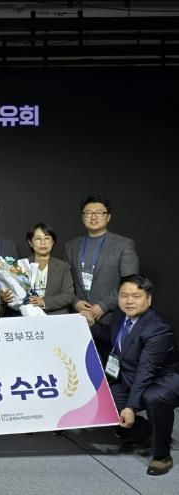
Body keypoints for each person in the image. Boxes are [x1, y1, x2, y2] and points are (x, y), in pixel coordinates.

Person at [82, 275, 179, 476]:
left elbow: (147, 370)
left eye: (136, 296)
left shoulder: (158, 329)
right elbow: (113, 339)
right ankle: (147, 432)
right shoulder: (120, 315)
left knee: (153, 397)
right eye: (124, 295)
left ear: (149, 299)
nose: (129, 301)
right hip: (130, 376)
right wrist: (92, 324)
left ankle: (162, 456)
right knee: (103, 402)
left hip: (163, 380)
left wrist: (131, 407)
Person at [65, 195, 139, 327]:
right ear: (82, 217)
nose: (93, 217)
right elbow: (66, 281)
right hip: (78, 316)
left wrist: (104, 306)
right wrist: (75, 302)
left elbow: (130, 282)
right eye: (88, 213)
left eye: (99, 212)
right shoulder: (71, 246)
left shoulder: (124, 245)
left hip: (110, 317)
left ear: (108, 217)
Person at [25, 223, 75, 315]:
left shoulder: (63, 267)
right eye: (38, 239)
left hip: (56, 317)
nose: (43, 242)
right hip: (28, 316)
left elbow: (69, 295)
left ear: (53, 242)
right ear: (30, 243)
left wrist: (43, 302)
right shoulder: (22, 265)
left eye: (47, 238)